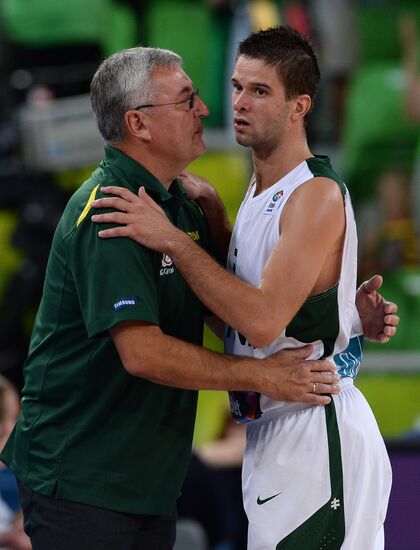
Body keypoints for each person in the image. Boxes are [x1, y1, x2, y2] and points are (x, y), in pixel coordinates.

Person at [0, 46, 346, 550]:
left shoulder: (176, 206)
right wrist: (264, 375)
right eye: (186, 100)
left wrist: (342, 314)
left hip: (143, 481)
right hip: (80, 478)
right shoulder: (112, 212)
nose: (205, 110)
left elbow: (230, 309)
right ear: (138, 123)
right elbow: (142, 353)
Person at [90, 28, 397, 549]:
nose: (237, 103)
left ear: (300, 106)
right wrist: (218, 226)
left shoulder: (314, 194)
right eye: (236, 86)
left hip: (315, 432)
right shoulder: (257, 188)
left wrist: (173, 240)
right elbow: (241, 311)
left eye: (259, 91)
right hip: (272, 428)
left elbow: (260, 321)